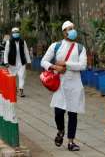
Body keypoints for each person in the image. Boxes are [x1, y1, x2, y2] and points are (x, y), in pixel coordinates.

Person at [41, 21, 87, 151]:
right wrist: (54, 66)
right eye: (69, 29)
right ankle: (60, 130)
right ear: (64, 32)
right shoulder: (56, 46)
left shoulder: (80, 48)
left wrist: (66, 64)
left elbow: (83, 65)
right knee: (58, 113)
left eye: (73, 28)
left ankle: (71, 142)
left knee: (73, 114)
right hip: (60, 85)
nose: (72, 30)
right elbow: (43, 61)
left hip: (75, 85)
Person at [4, 27, 31, 97]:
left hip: (21, 63)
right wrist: (6, 62)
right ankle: (14, 89)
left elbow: (26, 52)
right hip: (12, 63)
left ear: (19, 33)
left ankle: (21, 91)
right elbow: (6, 53)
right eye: (14, 32)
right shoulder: (8, 42)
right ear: (12, 33)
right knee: (12, 77)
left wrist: (28, 61)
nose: (16, 33)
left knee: (22, 76)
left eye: (17, 32)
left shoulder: (23, 41)